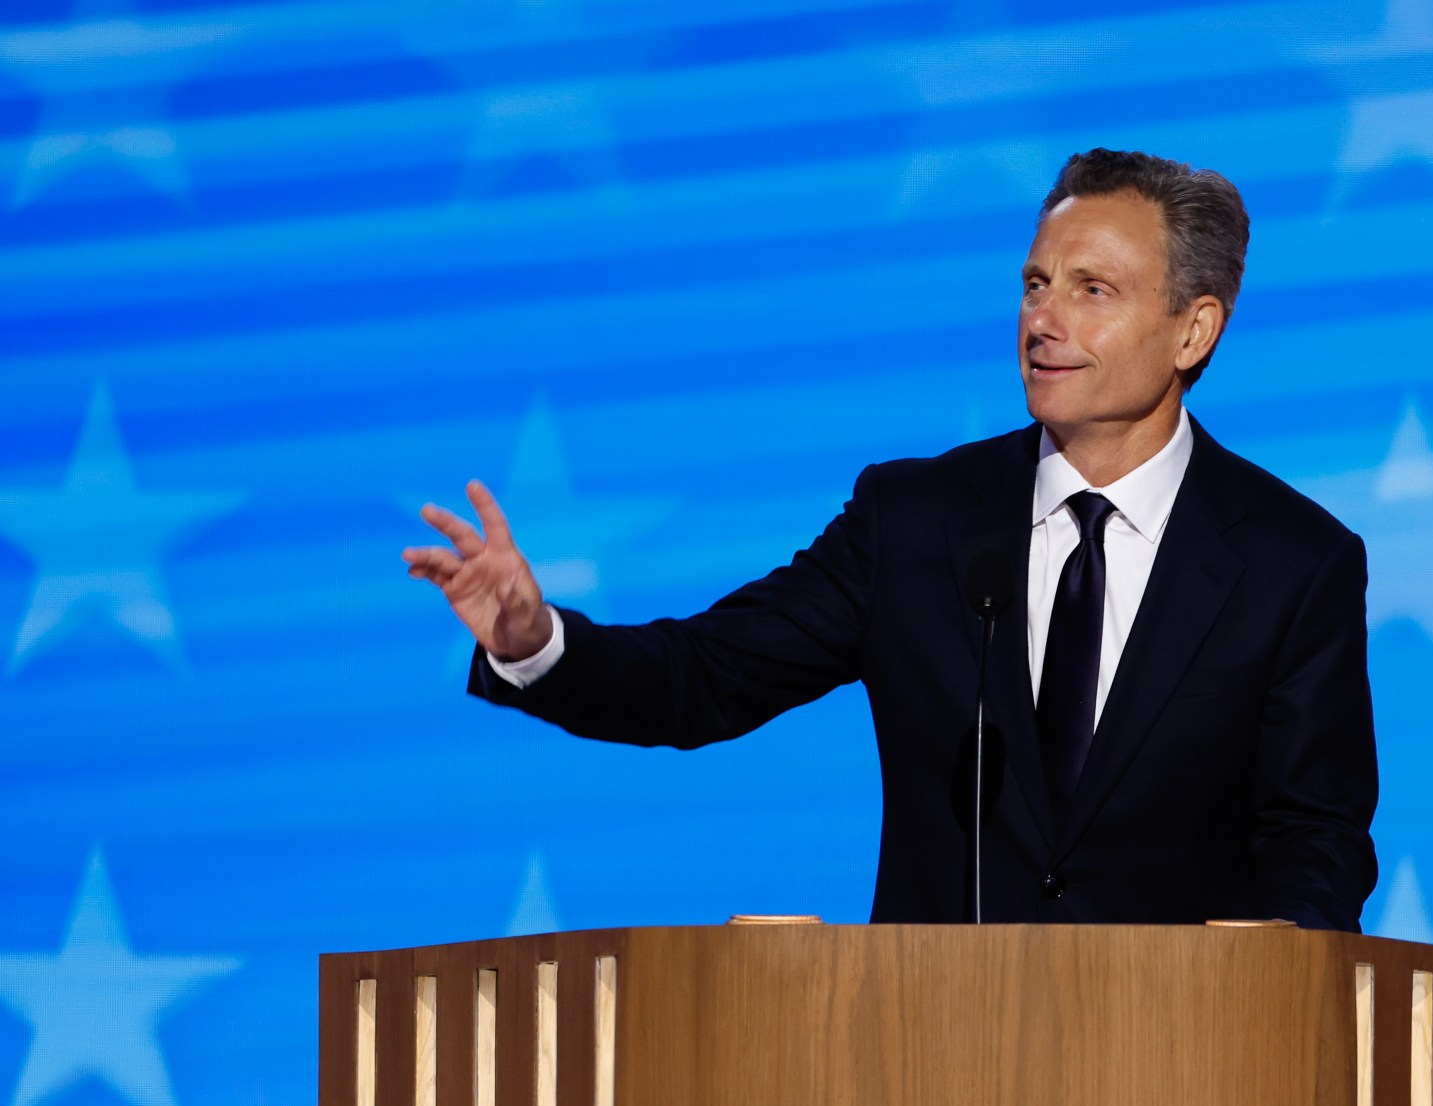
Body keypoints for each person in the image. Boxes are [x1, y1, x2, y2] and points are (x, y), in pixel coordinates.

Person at [403, 148, 1378, 929]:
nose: (1042, 319)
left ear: (1191, 331)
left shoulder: (1292, 563)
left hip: (1183, 1085)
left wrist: (1269, 975)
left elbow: (1315, 835)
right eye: (1034, 284)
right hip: (926, 1076)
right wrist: (533, 640)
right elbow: (701, 676)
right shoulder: (916, 523)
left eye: (1091, 291)